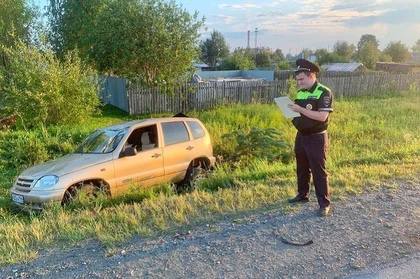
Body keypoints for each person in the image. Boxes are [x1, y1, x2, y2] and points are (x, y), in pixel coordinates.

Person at [287, 58, 333, 217]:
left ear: (312, 75)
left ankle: (324, 204)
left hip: (316, 137)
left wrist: (299, 108)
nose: (298, 83)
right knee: (301, 168)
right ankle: (302, 195)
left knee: (318, 171)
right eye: (297, 80)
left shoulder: (324, 92)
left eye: (301, 79)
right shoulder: (301, 92)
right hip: (301, 135)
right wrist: (291, 111)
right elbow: (298, 112)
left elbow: (322, 116)